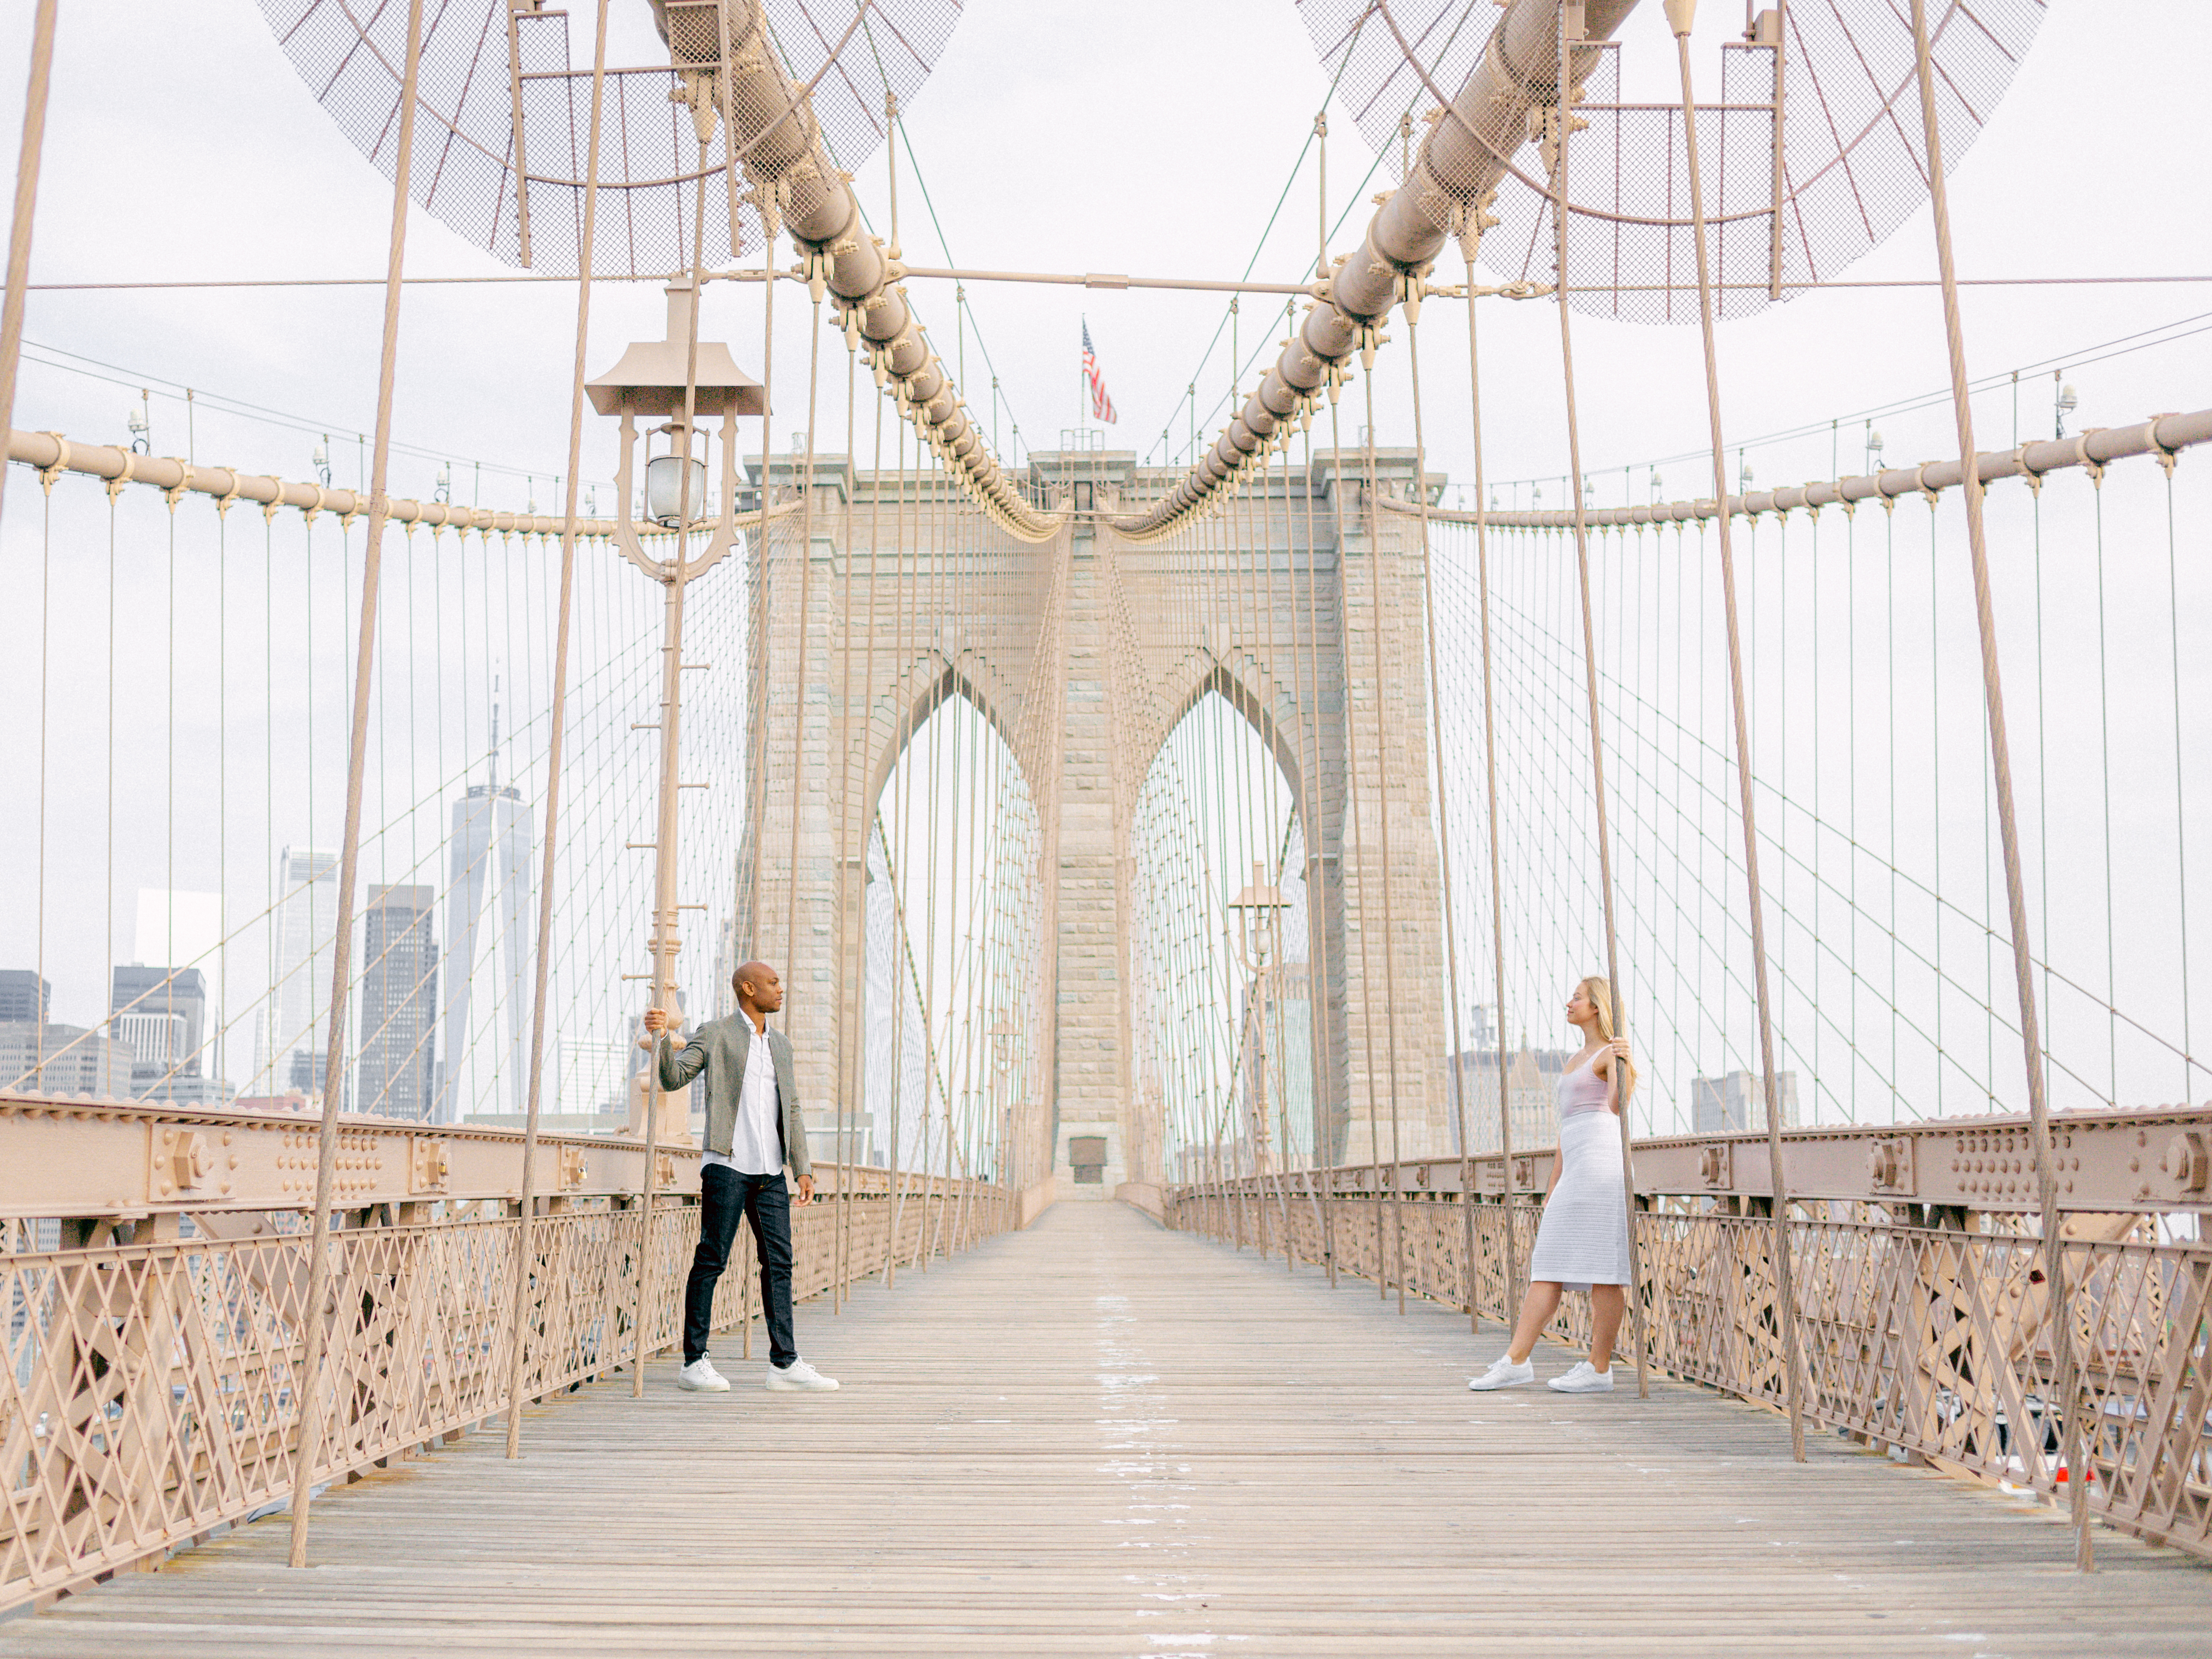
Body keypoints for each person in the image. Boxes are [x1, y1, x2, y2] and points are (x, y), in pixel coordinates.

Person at [640, 960, 839, 1394]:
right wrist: (660, 1038)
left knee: (780, 1264)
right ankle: (694, 1362)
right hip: (728, 1166)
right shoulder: (716, 1033)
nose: (780, 989)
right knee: (712, 1260)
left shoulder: (781, 1046)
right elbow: (674, 1080)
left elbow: (795, 1108)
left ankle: (784, 1364)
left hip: (771, 1173)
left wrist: (802, 1168)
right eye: (773, 983)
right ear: (748, 989)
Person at [1468, 975, 1636, 1395]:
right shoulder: (1574, 1058)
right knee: (1547, 1263)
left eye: (1577, 998)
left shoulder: (1605, 1054)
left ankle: (1599, 1368)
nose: (1569, 1002)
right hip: (1575, 1165)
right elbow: (1566, 1127)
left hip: (1601, 1165)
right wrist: (1553, 1184)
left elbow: (1616, 1106)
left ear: (1596, 1006)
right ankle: (1517, 1360)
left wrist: (1622, 1062)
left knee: (1604, 1273)